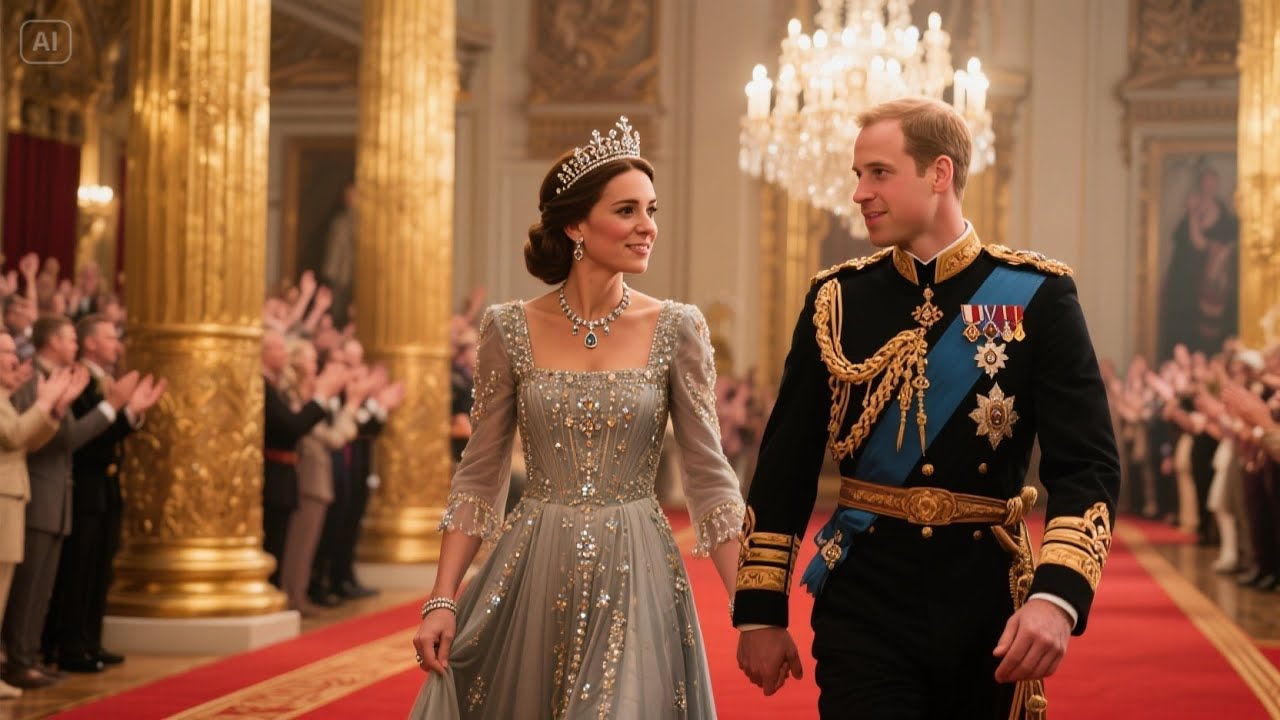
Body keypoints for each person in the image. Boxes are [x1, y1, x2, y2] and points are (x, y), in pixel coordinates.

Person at [733, 98, 1120, 719]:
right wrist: (760, 611)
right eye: (858, 174)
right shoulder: (837, 300)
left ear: (940, 173)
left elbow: (1087, 466)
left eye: (879, 173)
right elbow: (786, 464)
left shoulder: (1038, 296)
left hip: (988, 605)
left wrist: (1057, 597)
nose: (859, 192)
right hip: (864, 600)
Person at [409, 117, 744, 719]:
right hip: (533, 566)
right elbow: (479, 475)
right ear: (575, 226)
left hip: (638, 567)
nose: (648, 226)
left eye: (651, 210)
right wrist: (442, 598)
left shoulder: (677, 327)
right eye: (627, 211)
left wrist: (751, 603)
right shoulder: (508, 328)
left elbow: (709, 476)